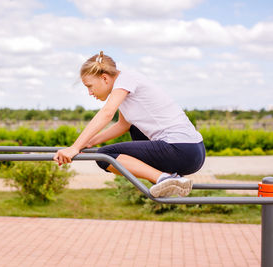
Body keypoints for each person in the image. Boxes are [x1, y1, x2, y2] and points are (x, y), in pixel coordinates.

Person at [53, 51, 205, 198]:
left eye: (89, 86)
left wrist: (74, 147)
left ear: (105, 78)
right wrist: (87, 143)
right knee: (133, 128)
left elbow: (107, 113)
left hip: (180, 149)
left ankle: (165, 179)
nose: (90, 93)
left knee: (104, 156)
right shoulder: (124, 87)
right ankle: (166, 177)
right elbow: (122, 125)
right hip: (193, 150)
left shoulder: (125, 80)